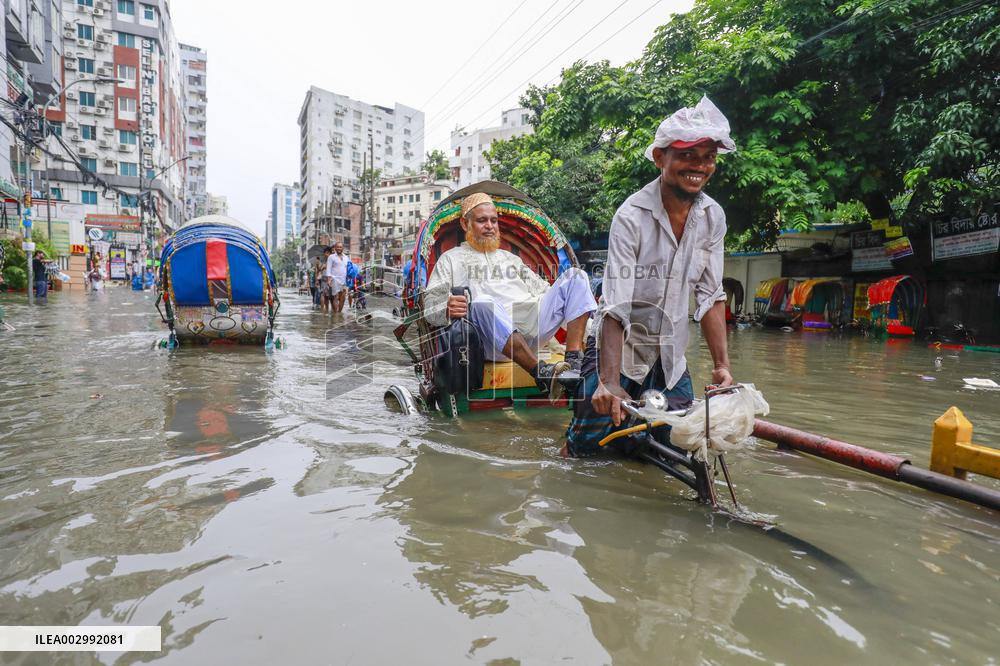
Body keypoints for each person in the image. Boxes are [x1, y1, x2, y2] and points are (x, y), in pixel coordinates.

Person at [565, 96, 736, 457]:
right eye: (688, 155)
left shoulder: (712, 218)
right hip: (619, 352)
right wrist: (609, 383)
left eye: (708, 158)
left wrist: (722, 367)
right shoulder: (631, 216)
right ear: (661, 158)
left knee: (682, 445)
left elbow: (711, 296)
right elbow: (615, 307)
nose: (699, 167)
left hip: (670, 357)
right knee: (585, 451)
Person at [423, 192, 597, 394]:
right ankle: (541, 372)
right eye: (482, 221)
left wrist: (594, 333)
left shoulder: (510, 259)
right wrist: (446, 308)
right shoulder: (450, 259)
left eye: (494, 221)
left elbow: (550, 295)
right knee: (482, 303)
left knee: (576, 276)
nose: (490, 226)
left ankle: (574, 363)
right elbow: (429, 307)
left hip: (533, 330)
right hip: (491, 342)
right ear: (465, 224)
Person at [325, 241, 349, 313]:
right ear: (335, 248)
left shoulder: (346, 257)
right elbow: (328, 268)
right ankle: (336, 314)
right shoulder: (331, 257)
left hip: (344, 279)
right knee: (336, 296)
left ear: (343, 248)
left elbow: (348, 268)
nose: (339, 248)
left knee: (343, 297)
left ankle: (339, 312)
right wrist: (329, 278)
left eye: (340, 247)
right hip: (334, 278)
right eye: (337, 247)